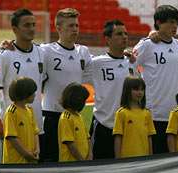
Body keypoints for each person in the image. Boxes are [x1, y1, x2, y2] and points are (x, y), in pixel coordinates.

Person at [0, 8, 45, 164]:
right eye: (27, 25)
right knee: (8, 172)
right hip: (11, 127)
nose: (32, 28)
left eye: (33, 24)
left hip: (36, 127)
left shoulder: (42, 52)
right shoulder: (3, 55)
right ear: (14, 29)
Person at [40, 8, 92, 162]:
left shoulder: (83, 52)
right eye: (70, 26)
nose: (75, 29)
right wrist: (8, 44)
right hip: (51, 115)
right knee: (50, 160)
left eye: (76, 25)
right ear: (58, 28)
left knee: (73, 160)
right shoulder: (45, 51)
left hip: (74, 117)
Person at [134, 5, 178, 154]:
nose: (174, 26)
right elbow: (130, 65)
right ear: (158, 23)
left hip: (176, 112)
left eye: (176, 22)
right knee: (153, 157)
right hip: (153, 113)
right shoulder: (147, 45)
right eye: (170, 22)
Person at [86, 19, 137, 159]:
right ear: (108, 39)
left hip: (128, 125)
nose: (124, 37)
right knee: (100, 167)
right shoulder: (96, 63)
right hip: (104, 124)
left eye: (126, 33)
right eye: (119, 34)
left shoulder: (132, 62)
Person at [113, 76, 156, 158]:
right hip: (127, 159)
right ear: (127, 91)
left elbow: (149, 137)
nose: (140, 92)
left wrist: (151, 157)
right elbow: (118, 138)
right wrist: (118, 159)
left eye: (142, 89)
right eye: (136, 89)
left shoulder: (147, 113)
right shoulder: (121, 113)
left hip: (144, 157)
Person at [2, 77, 39, 164]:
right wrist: (26, 155)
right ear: (25, 94)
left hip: (30, 161)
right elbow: (12, 138)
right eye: (33, 93)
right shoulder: (11, 112)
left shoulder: (30, 110)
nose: (35, 95)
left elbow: (35, 133)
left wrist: (37, 149)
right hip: (14, 164)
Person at [58, 83, 91, 162]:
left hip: (83, 162)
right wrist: (81, 160)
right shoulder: (66, 118)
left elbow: (88, 138)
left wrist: (90, 155)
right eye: (84, 101)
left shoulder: (79, 116)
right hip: (71, 165)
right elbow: (70, 144)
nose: (85, 103)